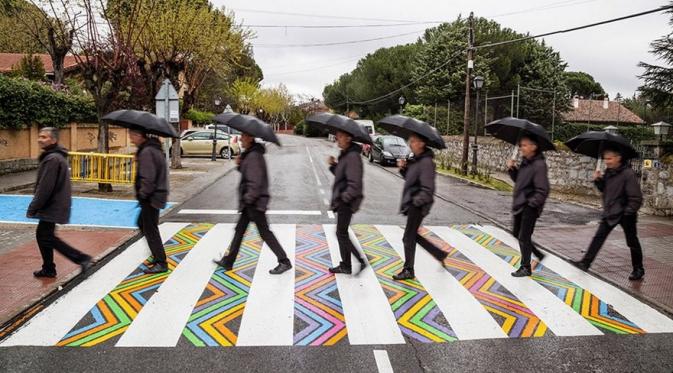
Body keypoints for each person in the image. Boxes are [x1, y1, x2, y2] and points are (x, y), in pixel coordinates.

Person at [214, 133, 292, 275]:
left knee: (265, 233)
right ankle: (229, 261)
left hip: (254, 202)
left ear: (250, 138)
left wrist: (248, 199)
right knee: (239, 231)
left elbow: (254, 182)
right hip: (250, 202)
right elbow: (248, 173)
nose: (241, 139)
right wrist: (240, 164)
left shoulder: (254, 156)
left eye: (243, 137)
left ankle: (284, 261)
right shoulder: (250, 154)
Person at [27, 127, 92, 278]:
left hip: (52, 204)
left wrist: (33, 207)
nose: (40, 139)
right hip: (54, 203)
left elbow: (45, 187)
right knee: (44, 235)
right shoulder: (53, 156)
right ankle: (49, 268)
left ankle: (81, 258)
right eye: (39, 136)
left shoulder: (52, 159)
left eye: (44, 137)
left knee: (46, 237)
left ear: (53, 140)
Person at [571, 148, 644, 280]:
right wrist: (598, 180)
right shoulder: (609, 172)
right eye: (605, 158)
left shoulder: (628, 174)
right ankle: (585, 262)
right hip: (610, 212)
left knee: (632, 241)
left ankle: (638, 269)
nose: (606, 161)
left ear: (618, 158)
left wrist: (628, 212)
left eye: (609, 158)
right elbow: (605, 188)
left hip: (626, 214)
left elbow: (636, 197)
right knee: (598, 237)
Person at [393, 134, 447, 281]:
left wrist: (415, 202)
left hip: (418, 205)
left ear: (422, 143)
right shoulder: (417, 160)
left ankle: (408, 270)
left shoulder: (426, 162)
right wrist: (404, 169)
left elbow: (427, 189)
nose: (410, 143)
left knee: (407, 238)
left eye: (414, 141)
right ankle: (439, 254)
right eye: (410, 141)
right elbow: (412, 180)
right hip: (414, 203)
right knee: (412, 236)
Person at [506, 135, 549, 277]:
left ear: (533, 147)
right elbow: (519, 180)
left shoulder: (539, 165)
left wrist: (531, 205)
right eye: (521, 145)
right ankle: (537, 253)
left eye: (524, 145)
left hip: (529, 207)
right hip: (520, 204)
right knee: (517, 233)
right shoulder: (526, 162)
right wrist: (512, 169)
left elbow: (543, 189)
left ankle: (525, 267)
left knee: (523, 236)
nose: (521, 148)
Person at [129, 129, 169, 274]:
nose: (130, 138)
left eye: (132, 135)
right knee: (143, 224)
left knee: (150, 228)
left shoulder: (147, 152)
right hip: (155, 195)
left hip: (151, 197)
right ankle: (158, 256)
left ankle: (161, 262)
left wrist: (143, 194)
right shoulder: (152, 149)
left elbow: (148, 178)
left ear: (139, 135)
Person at [327, 130, 366, 275]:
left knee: (341, 233)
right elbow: (342, 175)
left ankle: (359, 261)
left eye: (340, 136)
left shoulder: (352, 156)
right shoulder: (346, 155)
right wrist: (333, 165)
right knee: (341, 232)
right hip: (344, 199)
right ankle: (346, 265)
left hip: (347, 200)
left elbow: (354, 182)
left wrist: (345, 197)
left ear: (348, 138)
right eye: (337, 135)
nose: (337, 138)